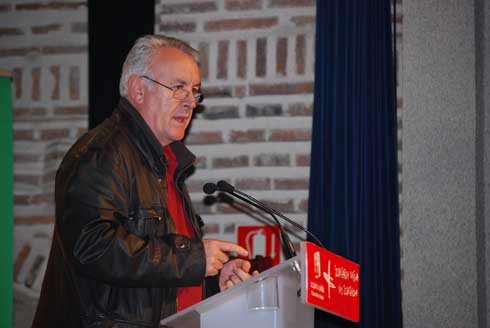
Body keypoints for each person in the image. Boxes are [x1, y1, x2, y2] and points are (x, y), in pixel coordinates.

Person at [32, 35, 256, 328]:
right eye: (178, 88)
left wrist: (212, 279)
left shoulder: (165, 163)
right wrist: (195, 259)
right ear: (138, 89)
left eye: (194, 91)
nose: (190, 102)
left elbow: (157, 273)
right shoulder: (101, 153)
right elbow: (92, 247)